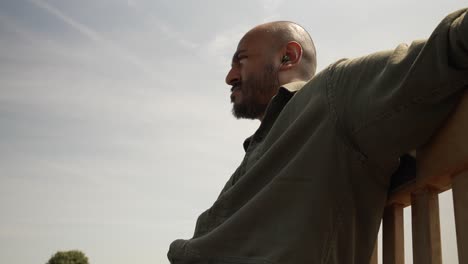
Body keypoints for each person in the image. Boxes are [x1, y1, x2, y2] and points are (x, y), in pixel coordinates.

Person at [168, 9, 468, 264]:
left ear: (288, 57)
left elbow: (444, 50)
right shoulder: (258, 149)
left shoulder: (332, 96)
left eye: (241, 60)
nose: (230, 76)